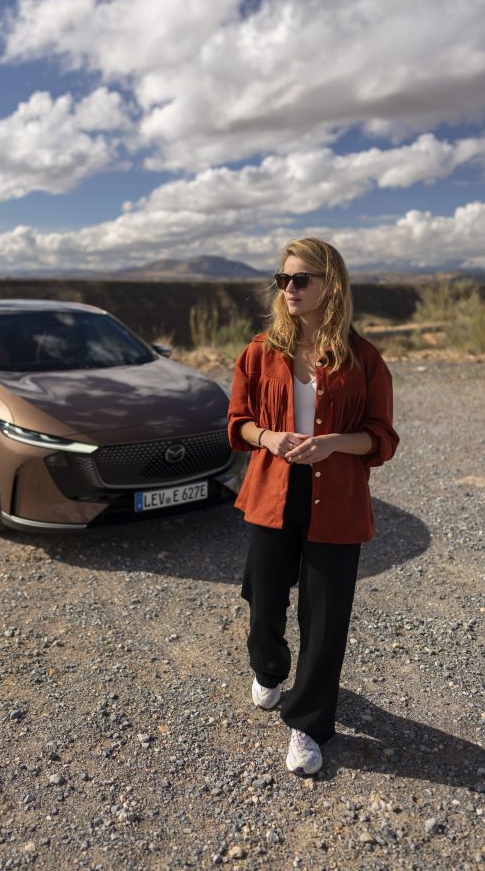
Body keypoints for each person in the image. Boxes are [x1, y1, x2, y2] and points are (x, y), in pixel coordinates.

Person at [227, 237, 399, 776]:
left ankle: (308, 724)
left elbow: (382, 437)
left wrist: (333, 443)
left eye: (301, 279)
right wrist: (269, 438)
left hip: (338, 497)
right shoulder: (260, 351)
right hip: (273, 489)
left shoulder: (363, 357)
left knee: (325, 621)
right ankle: (270, 670)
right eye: (284, 279)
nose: (290, 289)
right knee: (263, 599)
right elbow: (236, 424)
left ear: (331, 285)